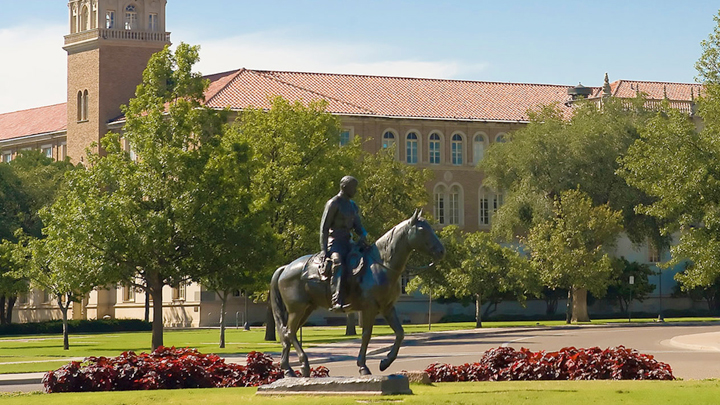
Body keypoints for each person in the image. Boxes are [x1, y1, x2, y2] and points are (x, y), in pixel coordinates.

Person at [320, 176, 368, 312]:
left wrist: (364, 234)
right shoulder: (333, 203)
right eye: (354, 187)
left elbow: (358, 226)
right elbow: (324, 228)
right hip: (334, 242)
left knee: (365, 260)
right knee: (338, 264)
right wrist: (324, 251)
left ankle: (362, 295)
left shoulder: (352, 206)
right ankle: (337, 300)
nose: (356, 191)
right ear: (345, 187)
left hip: (348, 242)